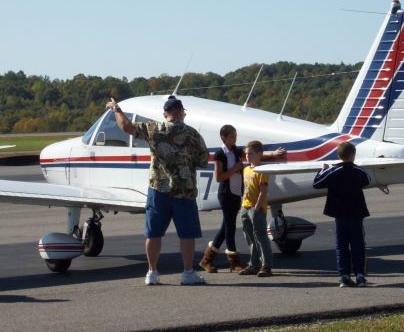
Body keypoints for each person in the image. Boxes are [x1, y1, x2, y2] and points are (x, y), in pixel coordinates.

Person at [106, 95, 209, 285]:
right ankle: (187, 272)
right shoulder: (193, 134)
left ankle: (152, 272)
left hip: (158, 190)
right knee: (187, 235)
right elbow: (203, 160)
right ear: (181, 113)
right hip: (184, 191)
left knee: (153, 233)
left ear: (165, 114)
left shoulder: (154, 129)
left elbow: (126, 127)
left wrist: (117, 110)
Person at [199, 125, 286, 273]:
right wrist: (235, 169)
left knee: (226, 226)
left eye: (235, 136)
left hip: (236, 194)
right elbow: (219, 177)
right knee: (230, 226)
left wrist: (274, 154)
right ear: (224, 137)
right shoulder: (220, 154)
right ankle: (234, 261)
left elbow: (255, 154)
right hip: (226, 194)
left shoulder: (236, 150)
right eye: (232, 136)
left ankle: (207, 259)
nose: (235, 139)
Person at [312, 141, 371, 287]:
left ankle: (344, 276)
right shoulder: (359, 171)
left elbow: (316, 183)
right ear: (353, 155)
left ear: (339, 155)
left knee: (341, 245)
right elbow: (367, 180)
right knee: (358, 245)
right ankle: (360, 276)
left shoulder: (333, 172)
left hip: (340, 213)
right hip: (356, 213)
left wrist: (323, 169)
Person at [238, 140, 275, 277]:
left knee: (261, 237)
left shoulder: (262, 170)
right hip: (245, 207)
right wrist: (244, 205)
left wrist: (257, 207)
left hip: (256, 208)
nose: (247, 156)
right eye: (246, 154)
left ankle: (266, 265)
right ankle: (254, 264)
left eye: (251, 154)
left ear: (260, 154)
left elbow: (263, 190)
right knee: (249, 237)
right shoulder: (246, 169)